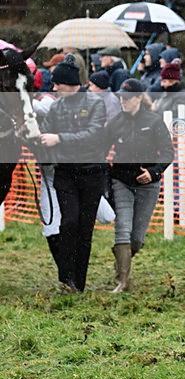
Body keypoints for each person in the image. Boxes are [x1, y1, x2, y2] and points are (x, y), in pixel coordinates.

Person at [37, 54, 107, 293]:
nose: (54, 88)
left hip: (92, 175)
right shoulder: (55, 107)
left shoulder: (96, 104)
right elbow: (44, 134)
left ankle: (80, 282)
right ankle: (65, 281)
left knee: (84, 230)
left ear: (70, 83)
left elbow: (93, 135)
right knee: (68, 223)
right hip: (65, 174)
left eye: (58, 84)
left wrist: (59, 139)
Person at [105, 79, 174, 292]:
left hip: (148, 185)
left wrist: (153, 172)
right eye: (120, 97)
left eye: (126, 98)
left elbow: (168, 152)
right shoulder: (115, 122)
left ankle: (122, 257)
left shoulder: (154, 122)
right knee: (123, 229)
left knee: (136, 237)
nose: (122, 101)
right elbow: (100, 148)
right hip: (121, 182)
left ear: (138, 98)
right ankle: (122, 282)